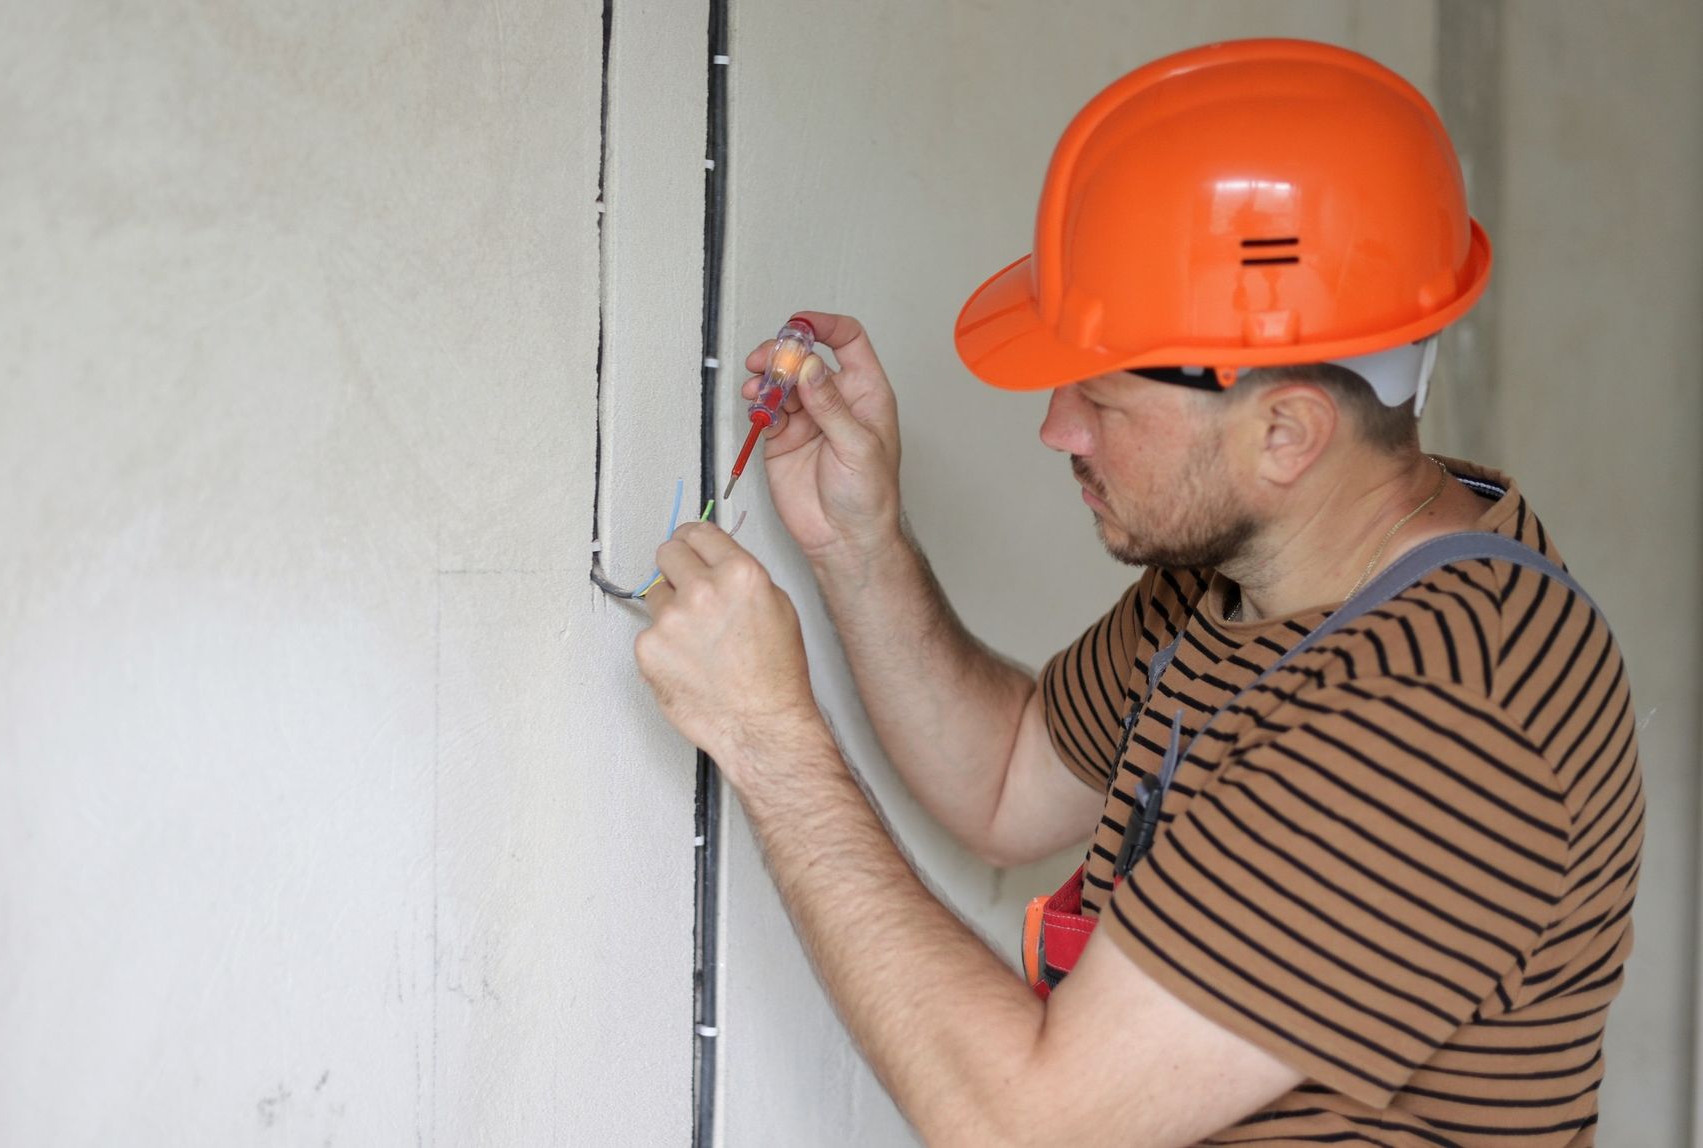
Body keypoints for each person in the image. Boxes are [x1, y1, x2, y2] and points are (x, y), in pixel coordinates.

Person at [631, 39, 1640, 1147]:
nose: (1056, 429)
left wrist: (770, 738)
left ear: (1286, 431)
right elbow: (1008, 783)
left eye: (1101, 401)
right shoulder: (1253, 573)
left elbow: (1029, 1125)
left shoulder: (1440, 714)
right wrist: (858, 544)